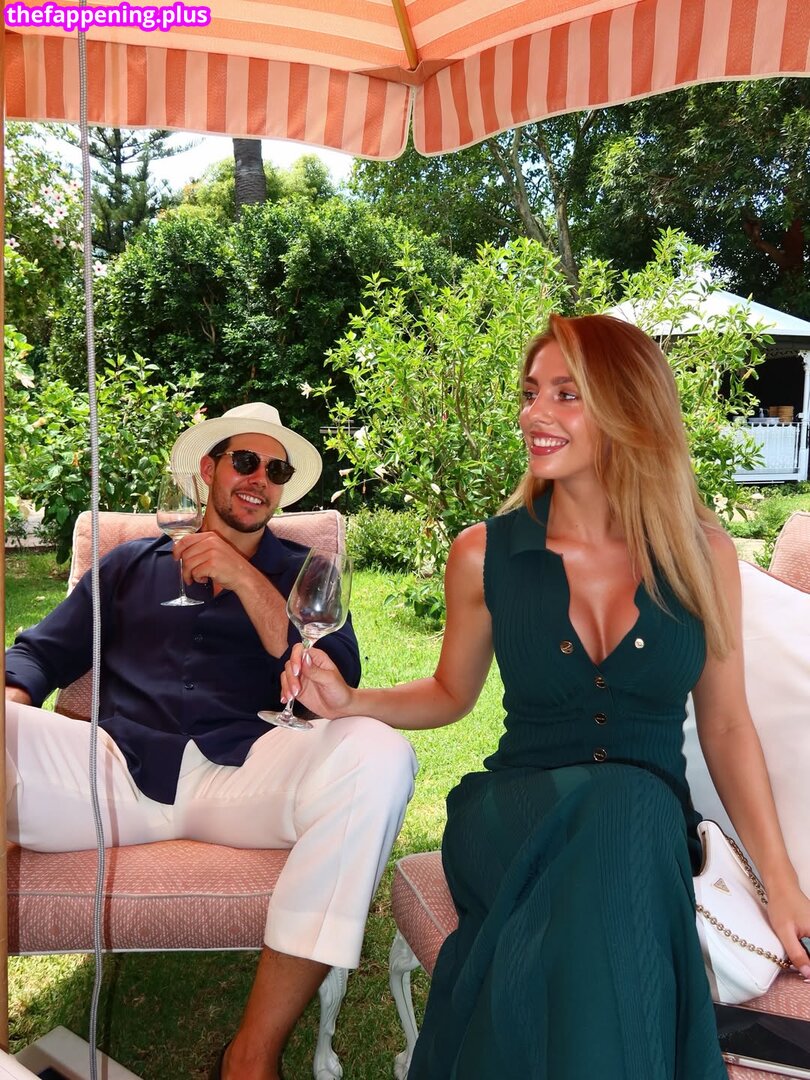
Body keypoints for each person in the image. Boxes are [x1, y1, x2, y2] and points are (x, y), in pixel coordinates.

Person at [283, 315, 810, 1078]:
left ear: (630, 408)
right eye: (532, 393)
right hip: (513, 813)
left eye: (566, 394)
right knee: (628, 805)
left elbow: (727, 727)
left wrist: (782, 884)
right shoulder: (483, 553)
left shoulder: (702, 555)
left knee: (626, 826)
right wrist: (351, 700)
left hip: (640, 831)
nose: (535, 413)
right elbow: (450, 693)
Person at [5, 402, 417, 1080]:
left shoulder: (305, 571)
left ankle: (249, 1057)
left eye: (275, 470)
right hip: (116, 769)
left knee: (380, 755)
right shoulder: (128, 565)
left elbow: (336, 680)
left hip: (246, 769)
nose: (259, 479)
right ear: (208, 469)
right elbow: (36, 655)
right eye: (245, 461)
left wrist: (246, 578)